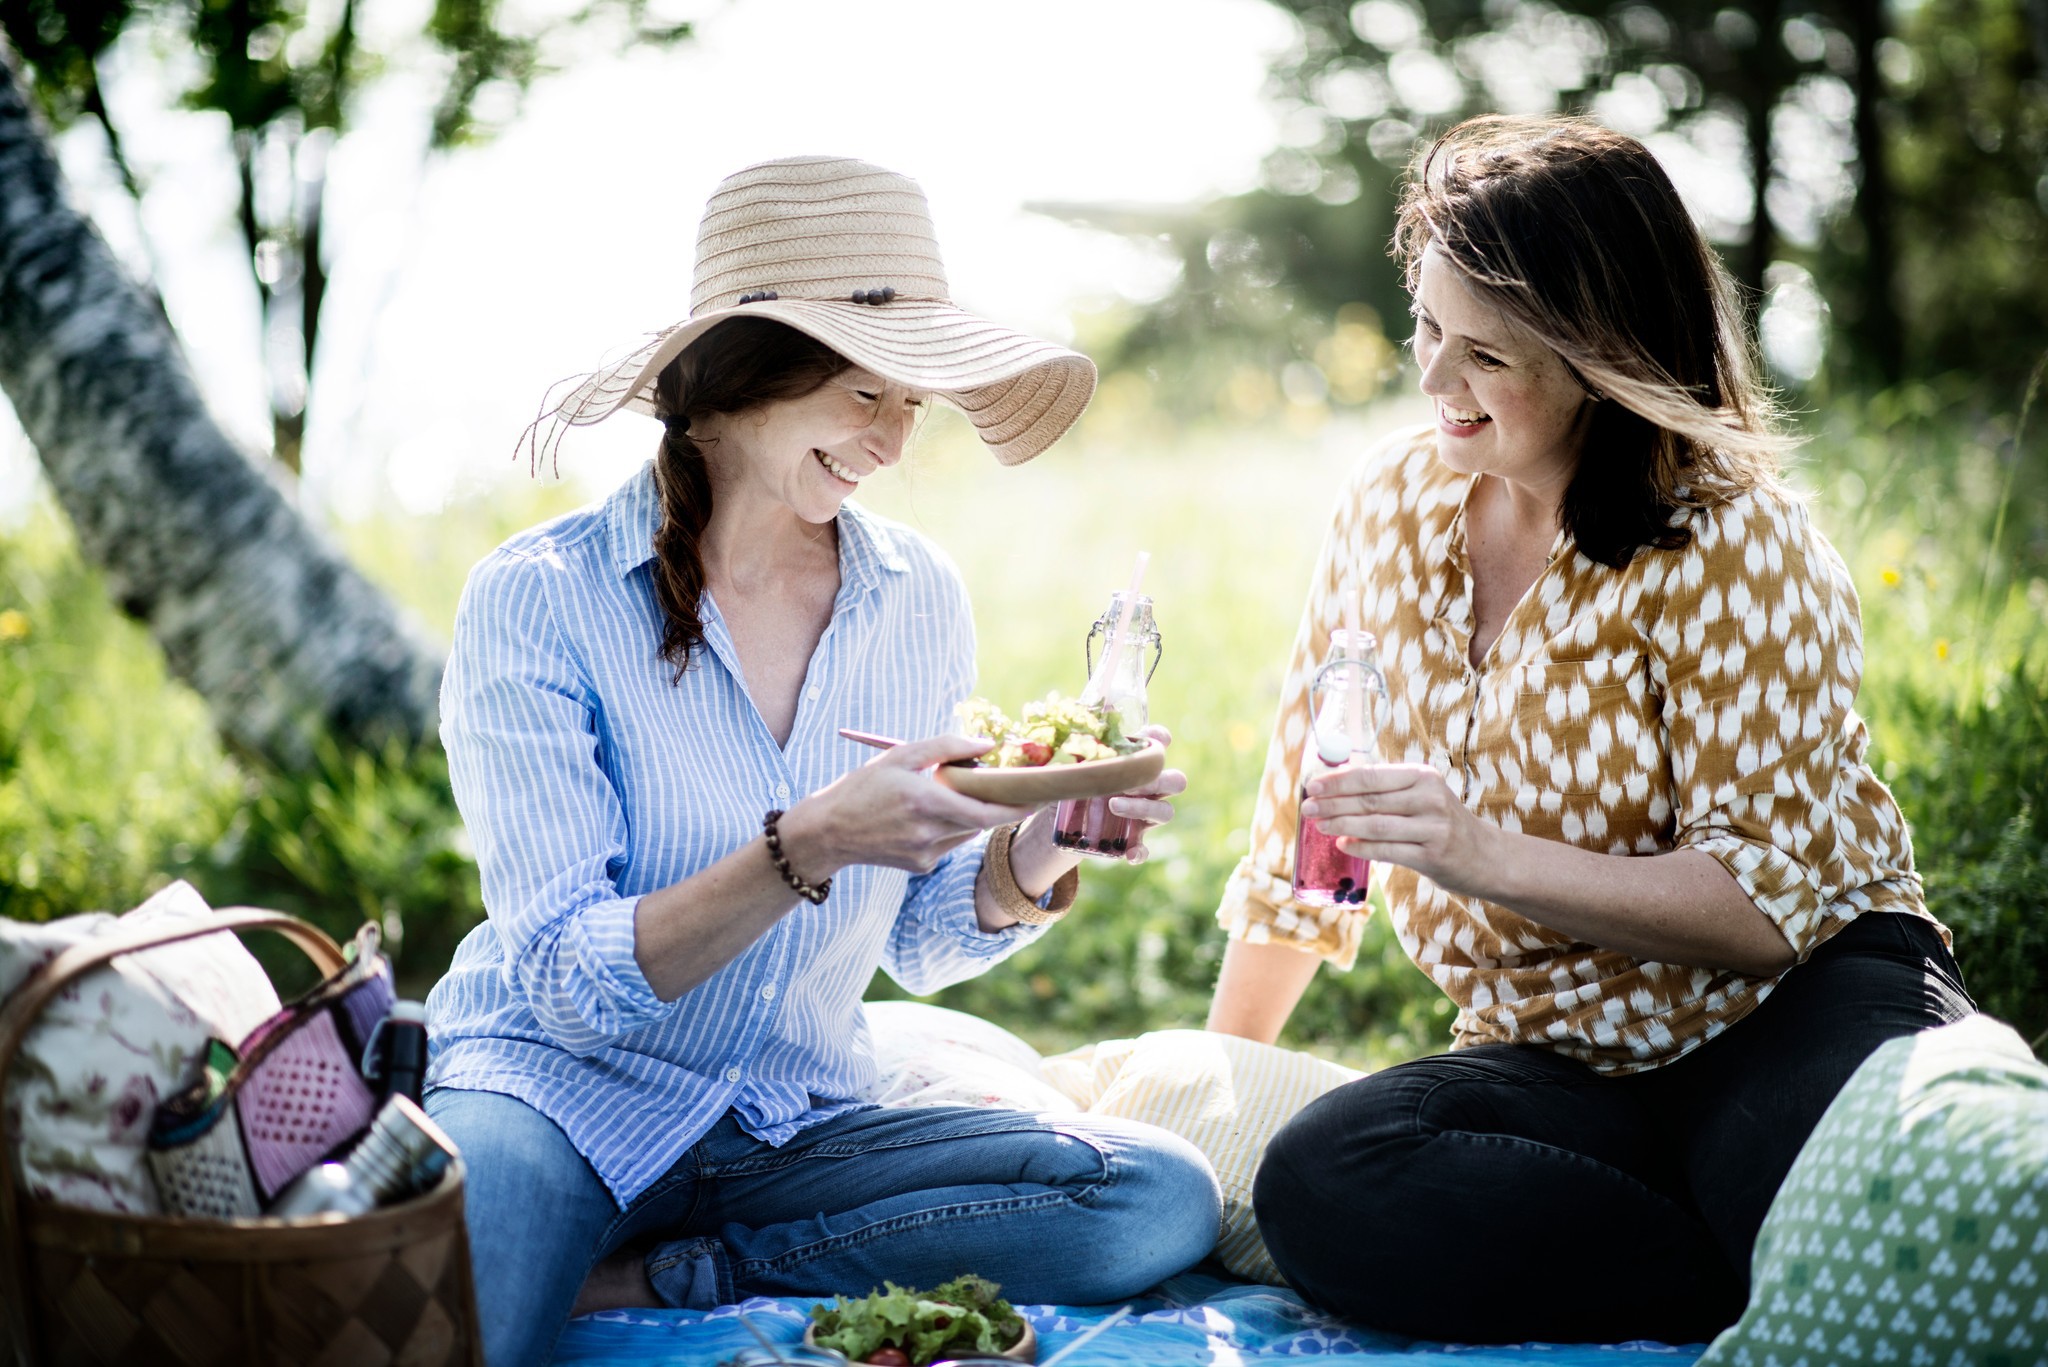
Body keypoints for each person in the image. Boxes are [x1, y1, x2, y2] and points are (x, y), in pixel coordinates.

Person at [425, 156, 1222, 1367]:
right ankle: (624, 1255)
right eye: (864, 394)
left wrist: (1040, 837)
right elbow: (567, 984)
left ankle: (682, 1272)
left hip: (792, 1121)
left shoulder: (915, 593)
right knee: (466, 1328)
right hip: (554, 1096)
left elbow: (920, 936)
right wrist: (807, 842)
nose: (892, 442)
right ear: (737, 379)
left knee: (1151, 1194)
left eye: (913, 404)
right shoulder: (539, 599)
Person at [1206, 116, 1972, 1345]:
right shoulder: (1388, 504)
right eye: (1425, 329)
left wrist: (1478, 853)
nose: (1433, 382)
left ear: (1599, 357)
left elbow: (1759, 908)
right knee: (1321, 1176)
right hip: (1554, 1052)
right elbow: (1307, 828)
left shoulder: (1734, 540)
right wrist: (1220, 1088)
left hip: (1785, 1006)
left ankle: (1763, 1230)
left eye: (1484, 356)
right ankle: (1737, 1261)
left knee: (1876, 1216)